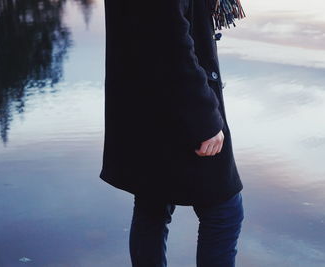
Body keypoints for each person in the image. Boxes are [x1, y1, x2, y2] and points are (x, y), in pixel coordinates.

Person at [99, 0, 246, 266]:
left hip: (147, 104)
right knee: (224, 211)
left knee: (152, 203)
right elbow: (170, 42)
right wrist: (206, 117)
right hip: (177, 106)